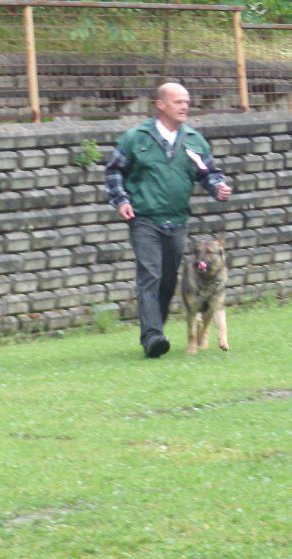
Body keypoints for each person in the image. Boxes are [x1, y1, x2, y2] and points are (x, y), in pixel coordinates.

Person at [105, 82, 232, 358]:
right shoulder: (135, 138)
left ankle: (156, 330)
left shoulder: (194, 141)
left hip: (176, 221)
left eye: (187, 101)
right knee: (149, 274)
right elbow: (114, 171)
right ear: (160, 105)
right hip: (144, 219)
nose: (185, 106)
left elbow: (208, 172)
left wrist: (218, 186)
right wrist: (122, 200)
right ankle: (152, 337)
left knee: (167, 281)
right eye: (178, 101)